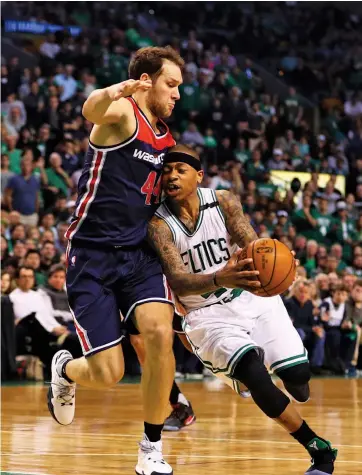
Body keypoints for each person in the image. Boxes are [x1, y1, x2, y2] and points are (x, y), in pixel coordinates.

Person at [147, 145, 337, 475]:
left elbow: (251, 242)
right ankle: (318, 449)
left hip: (252, 297)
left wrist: (271, 257)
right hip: (208, 315)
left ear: (199, 176)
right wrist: (221, 276)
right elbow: (177, 280)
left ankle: (265, 369)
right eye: (166, 171)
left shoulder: (223, 201)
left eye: (180, 169)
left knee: (299, 381)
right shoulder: (159, 225)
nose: (172, 176)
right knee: (254, 371)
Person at [47, 46, 187, 475]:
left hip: (139, 256)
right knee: (109, 372)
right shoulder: (123, 113)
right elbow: (93, 109)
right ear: (146, 80)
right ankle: (66, 369)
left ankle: (151, 448)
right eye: (172, 83)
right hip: (92, 255)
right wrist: (115, 90)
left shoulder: (166, 138)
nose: (178, 94)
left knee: (160, 335)